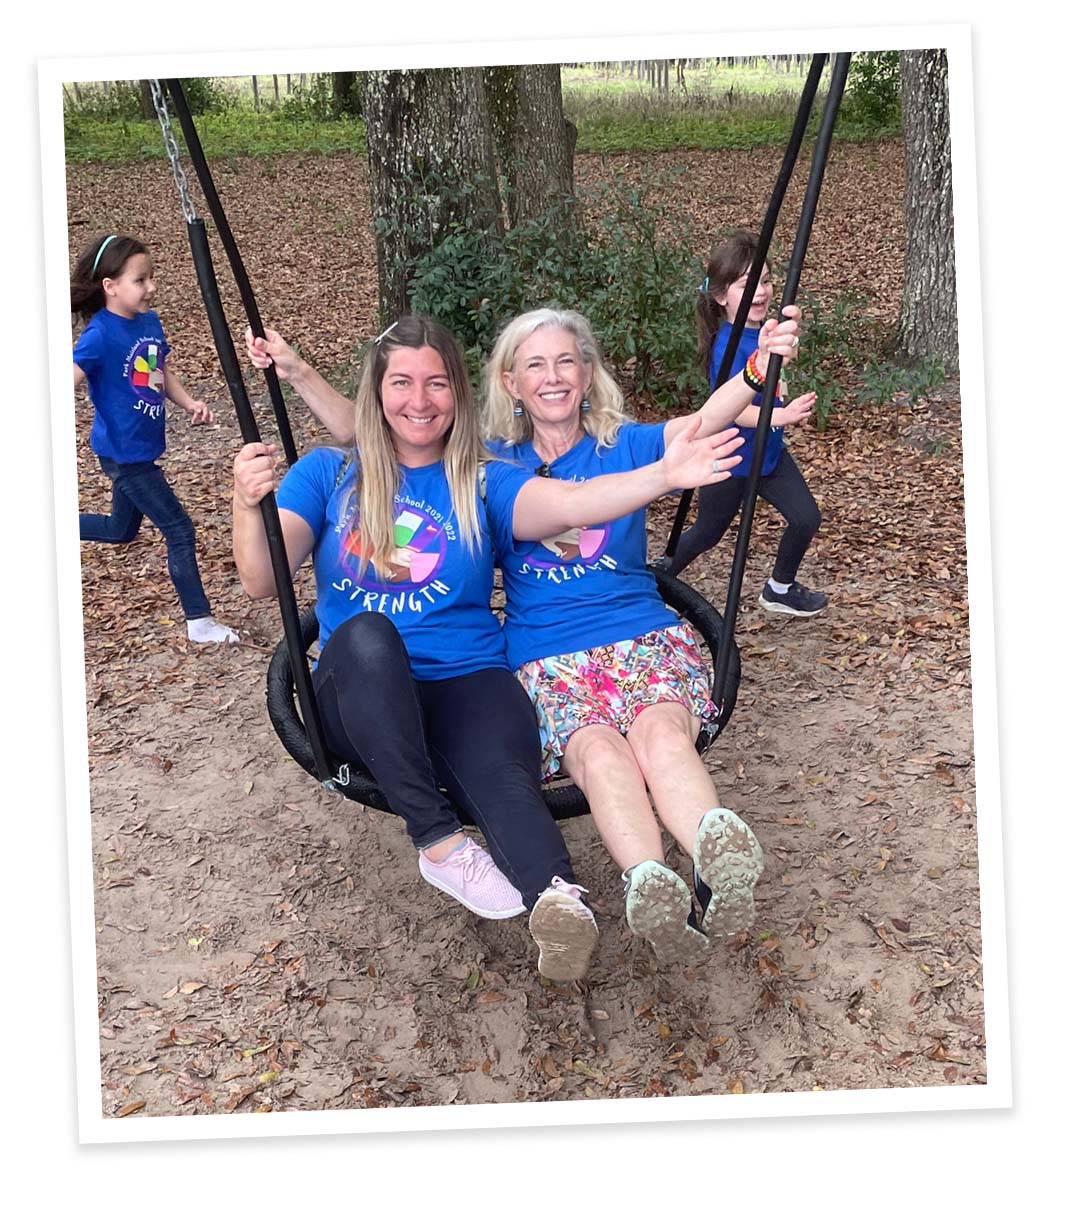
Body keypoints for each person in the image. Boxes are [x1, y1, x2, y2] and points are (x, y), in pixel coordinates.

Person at [237, 315, 742, 981]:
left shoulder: (482, 480)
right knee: (370, 635)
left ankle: (557, 899)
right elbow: (261, 579)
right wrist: (247, 502)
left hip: (465, 673)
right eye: (401, 383)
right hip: (358, 693)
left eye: (437, 383)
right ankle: (438, 839)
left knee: (504, 774)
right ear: (375, 394)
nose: (420, 399)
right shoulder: (328, 473)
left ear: (458, 393)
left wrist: (661, 474)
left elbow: (573, 504)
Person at [482, 305, 806, 963]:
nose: (553, 377)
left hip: (640, 632)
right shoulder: (488, 465)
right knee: (599, 753)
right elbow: (392, 440)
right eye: (535, 365)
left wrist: (756, 365)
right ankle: (650, 881)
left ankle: (716, 857)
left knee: (660, 735)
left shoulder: (621, 445)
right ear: (511, 382)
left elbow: (705, 422)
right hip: (546, 652)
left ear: (587, 372)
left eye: (566, 361)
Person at [71, 233, 238, 644]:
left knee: (119, 530)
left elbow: (158, 371)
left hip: (142, 449)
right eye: (140, 280)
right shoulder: (100, 335)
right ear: (110, 286)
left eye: (151, 277)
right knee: (179, 530)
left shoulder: (149, 321)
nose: (151, 287)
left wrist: (189, 402)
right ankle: (199, 621)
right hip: (124, 455)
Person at [669, 229, 826, 616]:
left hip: (769, 454)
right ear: (722, 296)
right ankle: (655, 582)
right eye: (747, 284)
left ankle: (779, 588)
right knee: (707, 533)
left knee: (806, 517)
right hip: (733, 457)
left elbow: (778, 369)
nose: (761, 291)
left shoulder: (762, 333)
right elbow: (735, 411)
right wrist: (783, 415)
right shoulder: (727, 344)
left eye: (766, 281)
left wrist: (786, 357)